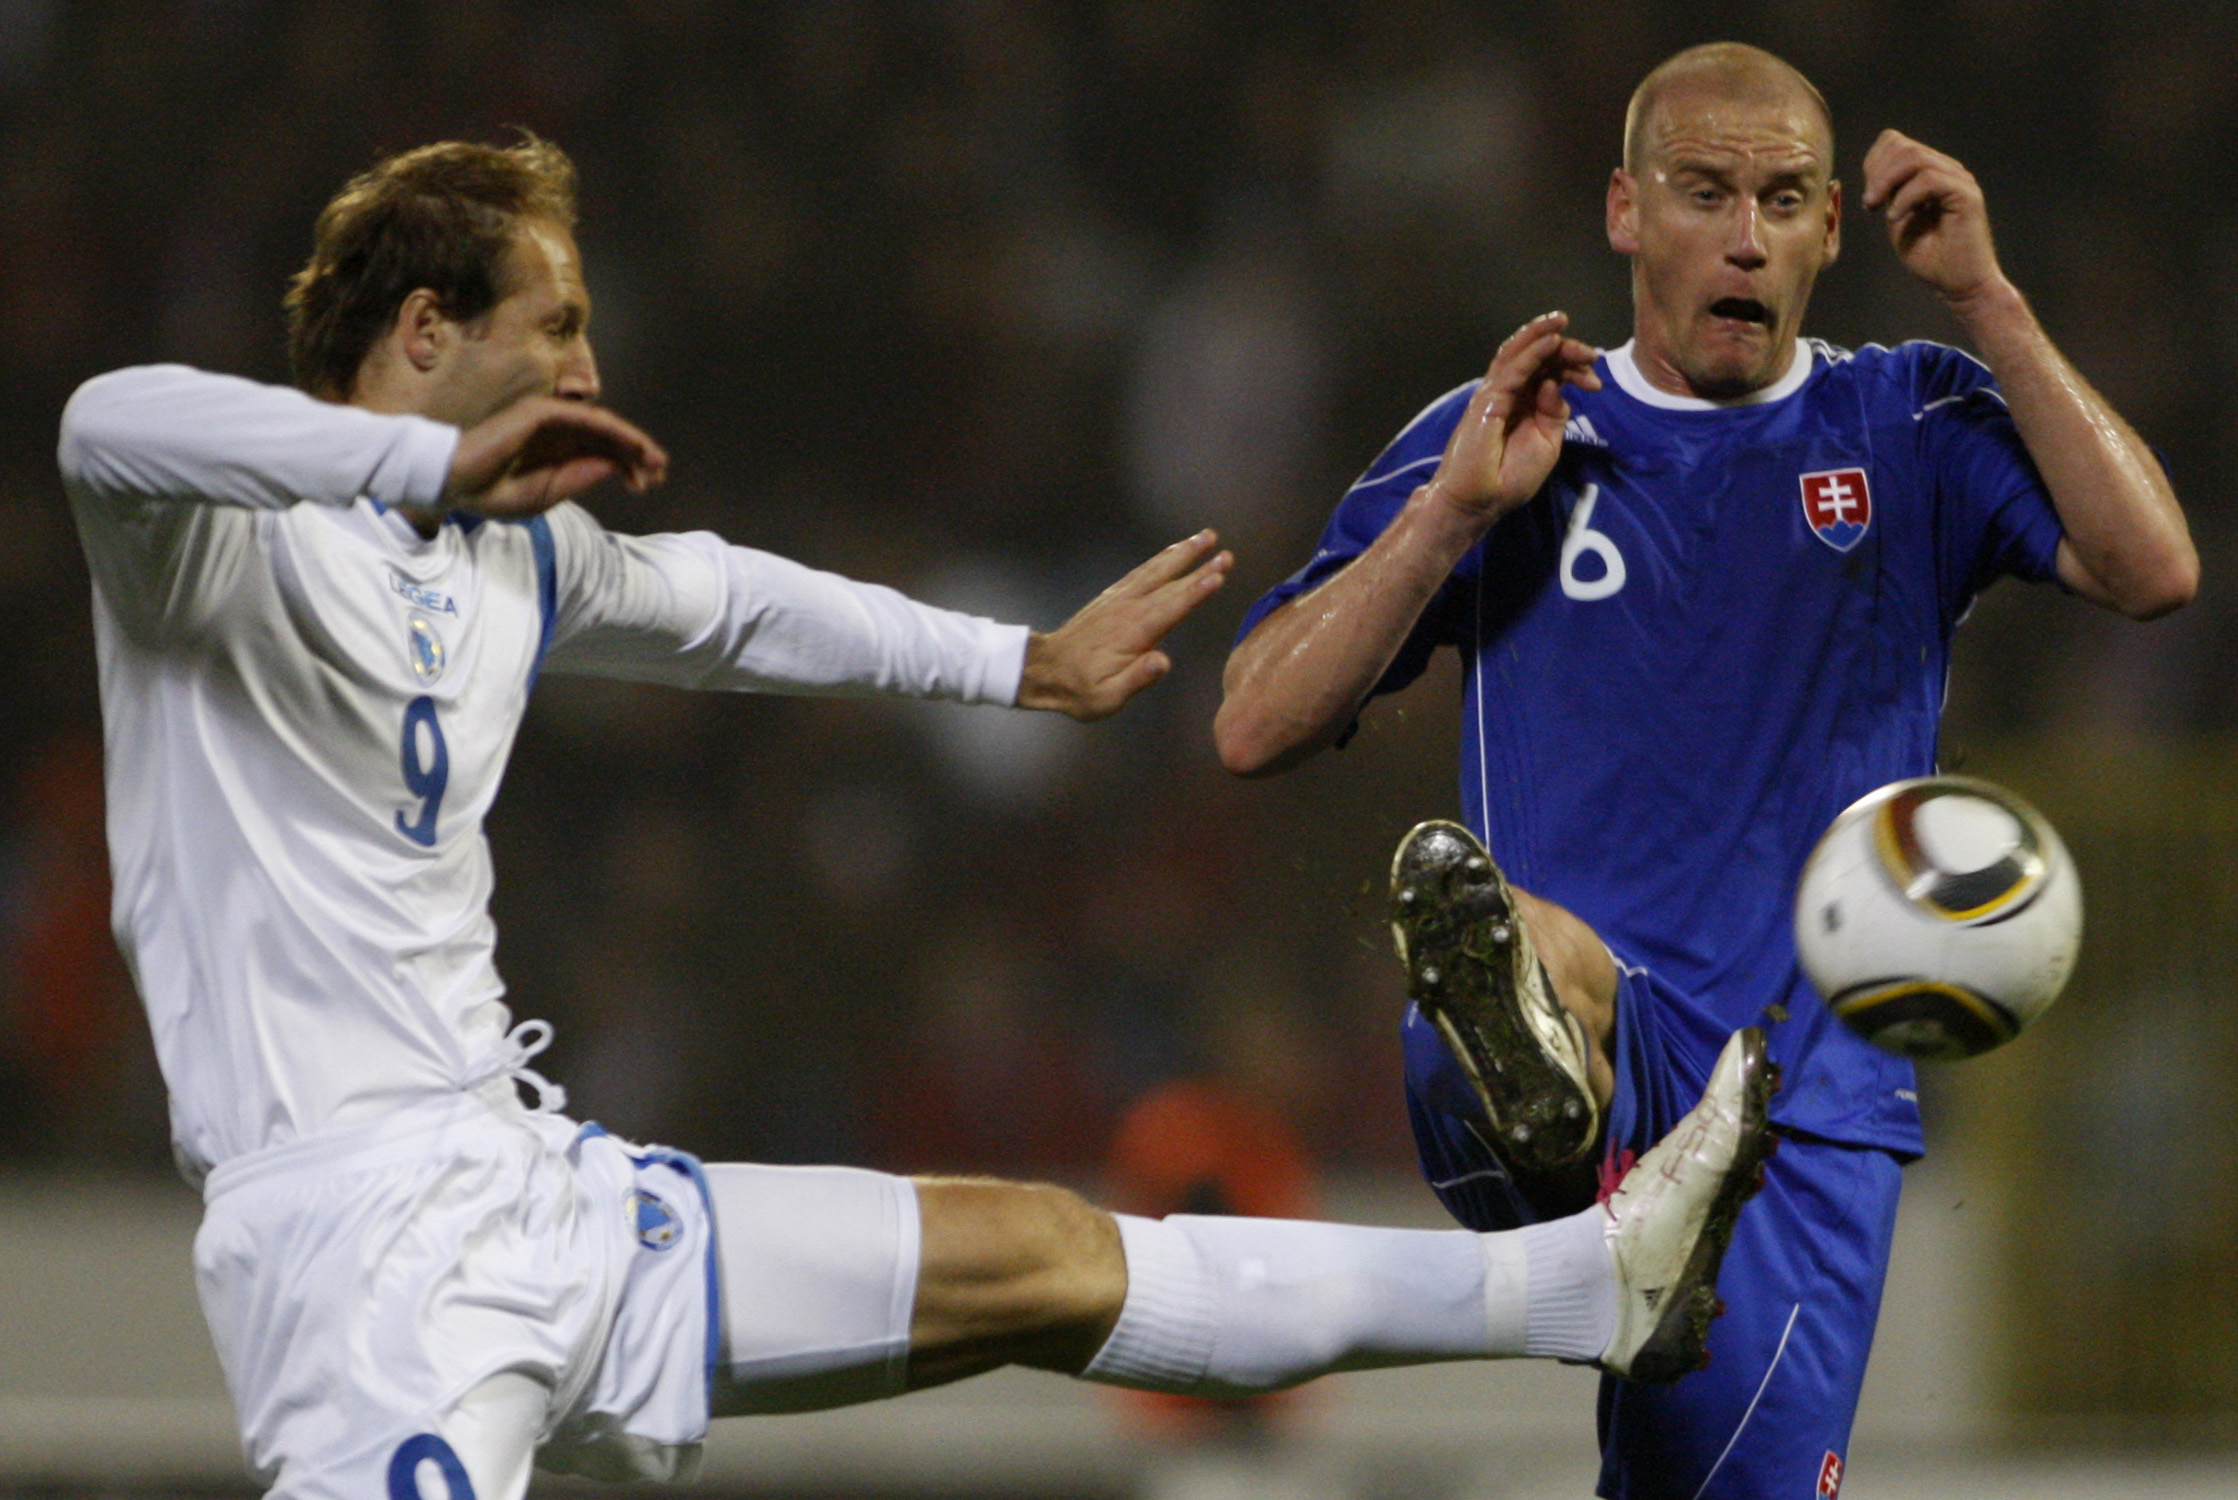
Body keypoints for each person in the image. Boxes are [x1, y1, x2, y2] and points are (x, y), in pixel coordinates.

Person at [60, 135, 1779, 1500]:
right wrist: (411, 465)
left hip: (532, 1194)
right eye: (556, 321)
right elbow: (103, 422)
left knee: (1041, 1256)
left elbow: (731, 608)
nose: (589, 359)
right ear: (427, 331)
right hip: (360, 1263)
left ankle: (1583, 1286)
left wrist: (1025, 664)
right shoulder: (213, 548)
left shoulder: (514, 558)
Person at [1217, 41, 2195, 1500]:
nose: (1745, 236)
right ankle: (1566, 1128)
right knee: (1499, 951)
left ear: (1828, 230)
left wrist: (1987, 299)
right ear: (1625, 211)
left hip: (1796, 1101)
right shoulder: (1511, 430)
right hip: (1595, 1032)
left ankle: (1619, 1214)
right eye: (1702, 193)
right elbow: (1251, 722)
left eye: (1783, 200)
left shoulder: (1906, 422)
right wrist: (1450, 520)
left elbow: (2152, 567)